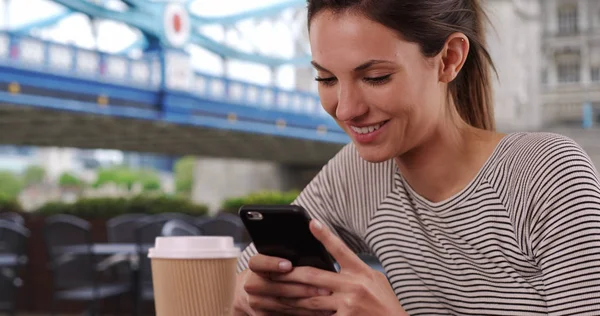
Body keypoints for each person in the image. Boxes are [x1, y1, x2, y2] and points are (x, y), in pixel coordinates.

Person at [234, 0, 600, 315]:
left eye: (375, 77)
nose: (345, 109)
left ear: (449, 60)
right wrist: (254, 292)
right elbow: (241, 273)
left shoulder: (548, 173)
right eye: (326, 80)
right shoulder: (357, 175)